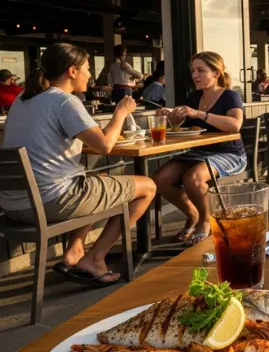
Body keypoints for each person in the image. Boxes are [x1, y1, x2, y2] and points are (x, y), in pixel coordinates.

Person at [0, 43, 156, 286]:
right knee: (147, 186)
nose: (91, 75)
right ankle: (95, 258)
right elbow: (104, 145)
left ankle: (74, 251)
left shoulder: (23, 98)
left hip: (12, 204)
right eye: (87, 68)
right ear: (72, 71)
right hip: (51, 201)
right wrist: (121, 113)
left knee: (98, 182)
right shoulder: (64, 101)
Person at [153, 52, 246, 245]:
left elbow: (235, 124)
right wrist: (172, 116)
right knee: (160, 180)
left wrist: (200, 114)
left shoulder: (230, 96)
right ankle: (193, 214)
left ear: (216, 72)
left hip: (229, 153)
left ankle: (205, 221)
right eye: (193, 70)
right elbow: (185, 125)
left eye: (201, 70)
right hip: (199, 152)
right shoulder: (194, 97)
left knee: (193, 179)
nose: (195, 75)